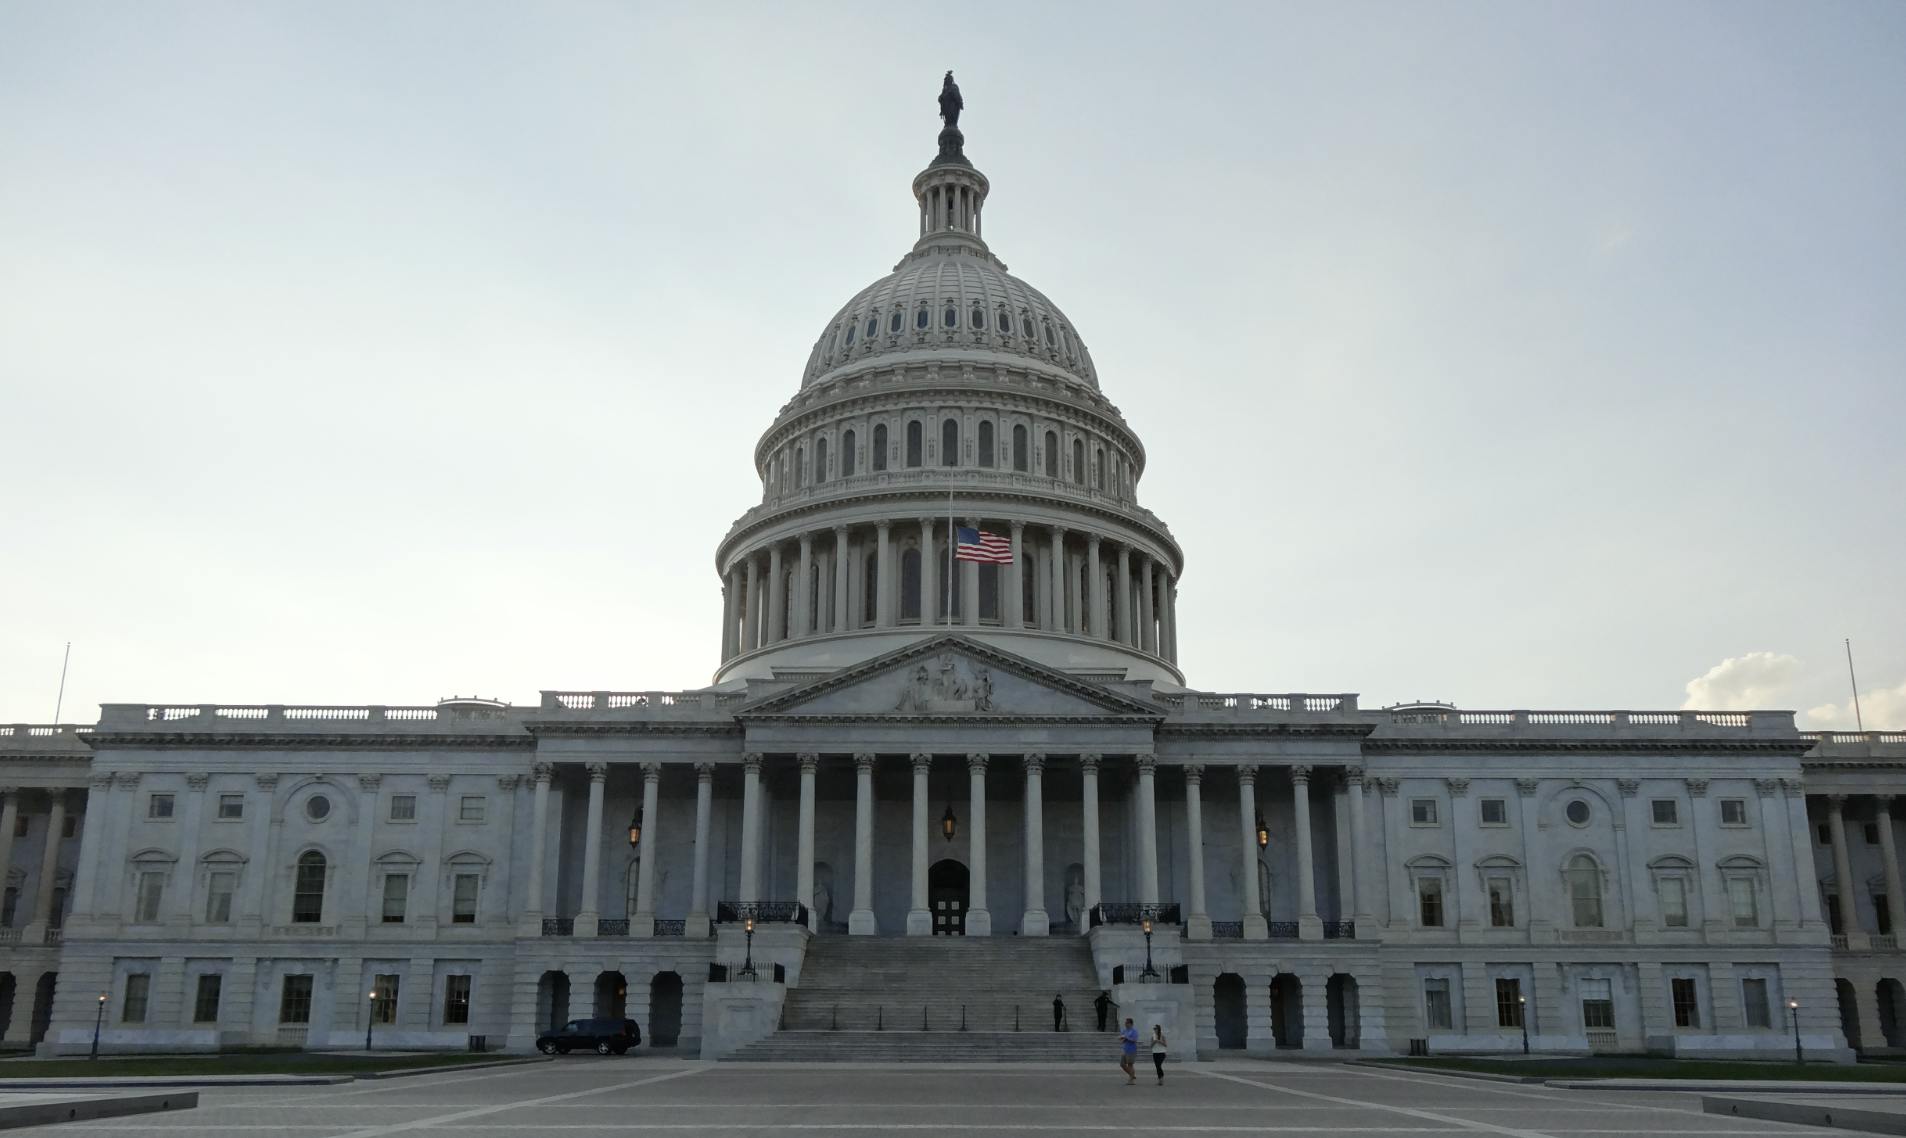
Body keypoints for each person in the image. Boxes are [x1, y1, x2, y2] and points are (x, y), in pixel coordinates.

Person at [1118, 1017, 1139, 1085]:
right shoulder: (1124, 1030)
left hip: (1132, 1050)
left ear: (1130, 1024)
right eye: (1125, 1023)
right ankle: (1132, 1075)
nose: (1125, 1024)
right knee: (1122, 1064)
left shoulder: (1134, 1031)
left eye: (1127, 1023)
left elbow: (1134, 1040)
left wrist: (1127, 1038)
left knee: (1130, 1065)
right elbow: (1121, 1040)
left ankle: (1131, 1081)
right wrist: (1121, 1038)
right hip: (1125, 1049)